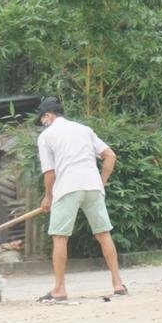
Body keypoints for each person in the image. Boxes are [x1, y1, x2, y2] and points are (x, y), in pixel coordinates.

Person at [34, 97, 127, 303]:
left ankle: (59, 289)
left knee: (60, 237)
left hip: (67, 188)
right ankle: (118, 284)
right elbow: (110, 156)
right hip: (92, 186)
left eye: (42, 119)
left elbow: (49, 173)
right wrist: (101, 182)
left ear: (48, 115)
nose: (42, 124)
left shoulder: (46, 136)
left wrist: (48, 197)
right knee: (103, 234)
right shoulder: (83, 129)